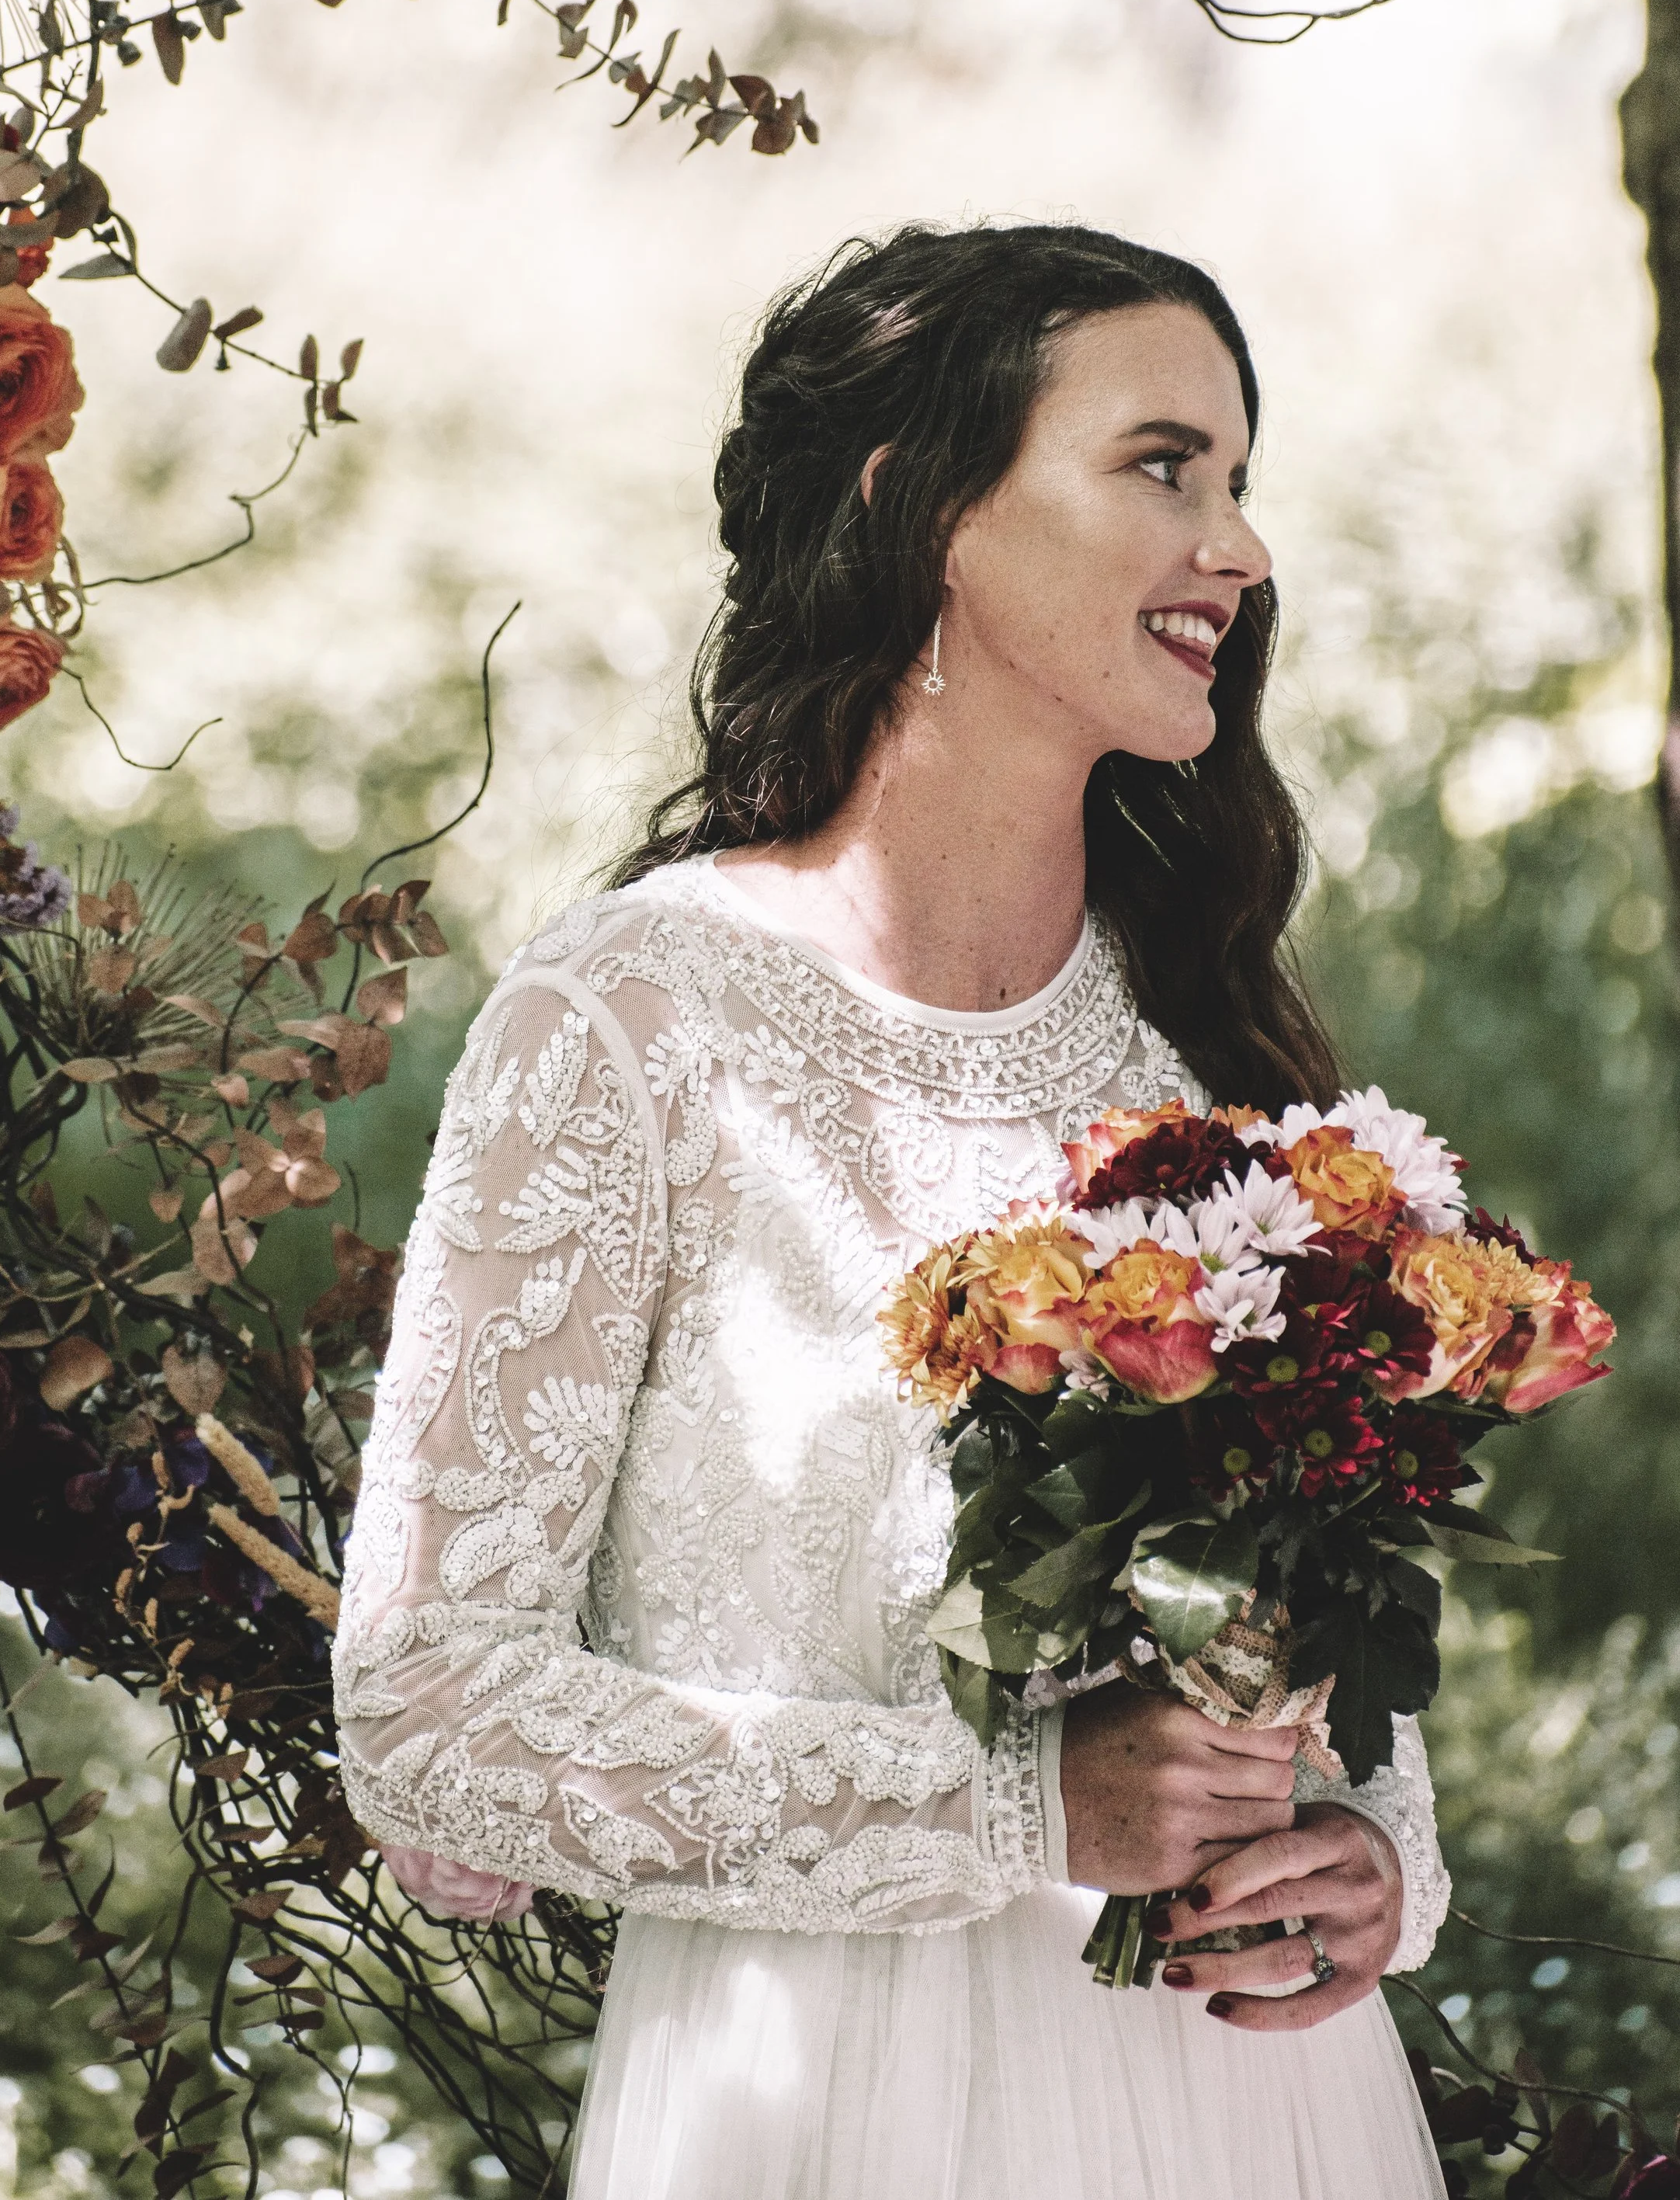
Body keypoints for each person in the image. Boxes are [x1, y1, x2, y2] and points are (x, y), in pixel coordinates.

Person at [333, 220, 1448, 2199]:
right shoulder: (629, 1024)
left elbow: (1317, 1664)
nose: (1239, 550)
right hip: (815, 2113)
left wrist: (1368, 1857)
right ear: (915, 504)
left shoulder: (1207, 1064)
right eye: (1161, 466)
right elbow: (427, 1712)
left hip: (1245, 2110)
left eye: (1239, 483)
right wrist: (1011, 1811)